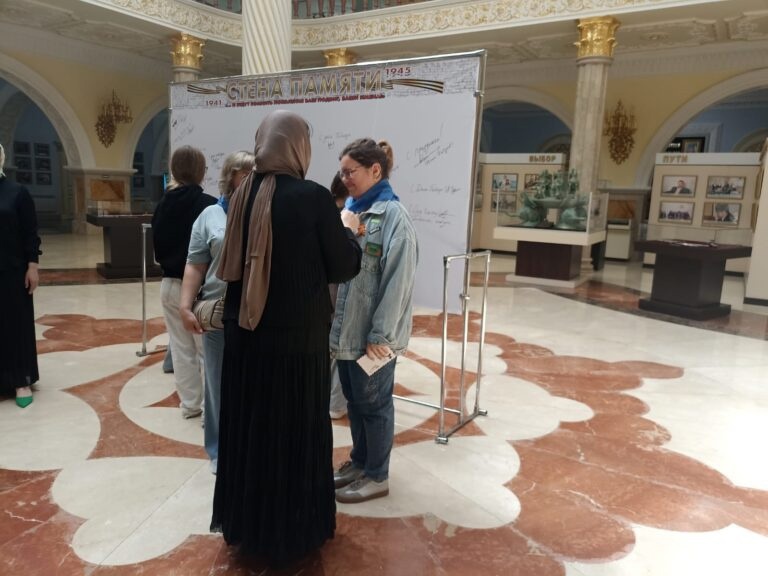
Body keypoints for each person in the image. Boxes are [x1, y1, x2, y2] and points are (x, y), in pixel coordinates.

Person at [211, 110, 362, 567]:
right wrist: (349, 232)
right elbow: (343, 266)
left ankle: (249, 525)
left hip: (245, 338)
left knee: (252, 430)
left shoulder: (241, 194)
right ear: (298, 147)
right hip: (296, 343)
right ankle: (293, 531)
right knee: (292, 431)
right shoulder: (312, 197)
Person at [331, 138, 418, 504]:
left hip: (374, 338)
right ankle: (360, 462)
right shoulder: (350, 212)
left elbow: (398, 281)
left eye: (350, 172)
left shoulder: (394, 217)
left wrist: (380, 334)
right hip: (348, 332)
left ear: (375, 170)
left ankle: (377, 475)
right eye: (341, 172)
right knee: (355, 401)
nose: (344, 179)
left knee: (375, 404)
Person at [179, 150, 255, 474]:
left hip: (256, 315)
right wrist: (185, 305)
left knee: (254, 386)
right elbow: (196, 264)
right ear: (230, 176)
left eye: (255, 174)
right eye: (244, 174)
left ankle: (251, 447)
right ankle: (219, 450)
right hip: (218, 313)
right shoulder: (210, 216)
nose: (250, 180)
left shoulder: (263, 213)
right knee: (217, 385)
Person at [152, 145, 216, 419]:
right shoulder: (209, 205)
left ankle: (190, 405)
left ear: (174, 171)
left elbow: (157, 249)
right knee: (207, 352)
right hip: (199, 288)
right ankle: (210, 412)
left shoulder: (162, 204)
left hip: (169, 284)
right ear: (202, 171)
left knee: (180, 348)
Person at [0, 143, 41, 408]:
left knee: (15, 325)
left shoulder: (17, 192)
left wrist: (32, 265)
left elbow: (30, 232)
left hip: (12, 271)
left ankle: (21, 380)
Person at [329, 173, 350, 420]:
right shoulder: (349, 214)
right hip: (338, 287)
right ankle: (335, 403)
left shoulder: (323, 206)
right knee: (337, 348)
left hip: (322, 289)